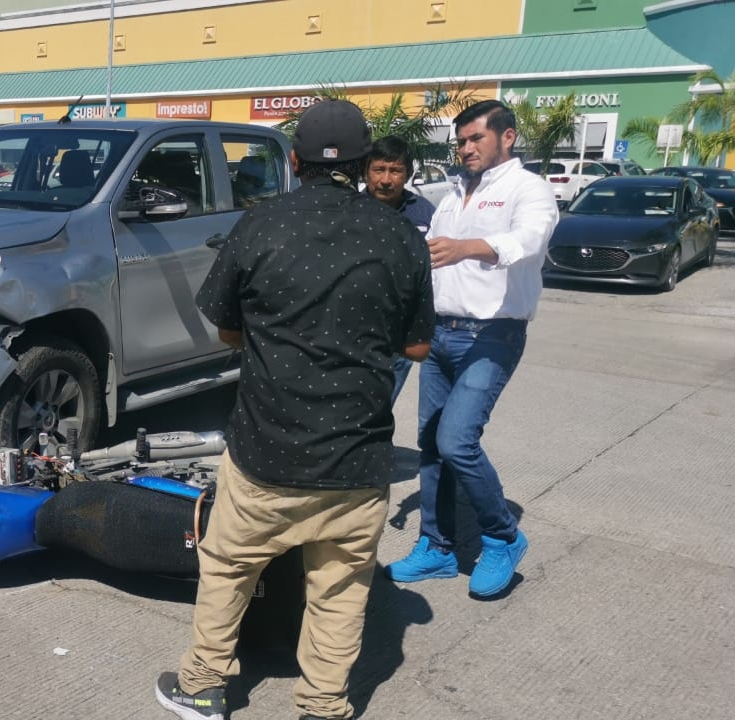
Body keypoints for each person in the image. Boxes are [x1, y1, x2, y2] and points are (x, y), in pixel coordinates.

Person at [154, 100, 434, 720]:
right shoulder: (401, 236)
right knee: (338, 590)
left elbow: (225, 325)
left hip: (265, 451)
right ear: (365, 165)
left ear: (296, 160)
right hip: (358, 461)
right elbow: (417, 345)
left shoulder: (259, 225)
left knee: (228, 568)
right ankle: (323, 705)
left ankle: (202, 688)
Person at [385, 99, 558, 598]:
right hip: (439, 332)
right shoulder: (454, 193)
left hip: (492, 335)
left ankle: (503, 536)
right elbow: (431, 258)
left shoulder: (529, 190)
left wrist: (470, 247)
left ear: (507, 136)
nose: (465, 149)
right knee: (432, 445)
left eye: (475, 138)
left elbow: (529, 240)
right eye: (460, 141)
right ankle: (437, 548)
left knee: (458, 440)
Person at [365, 135, 437, 405]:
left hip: (401, 332)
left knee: (381, 406)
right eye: (378, 169)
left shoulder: (424, 214)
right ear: (366, 171)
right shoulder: (348, 210)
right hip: (354, 328)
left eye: (395, 171)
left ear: (407, 174)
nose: (386, 179)